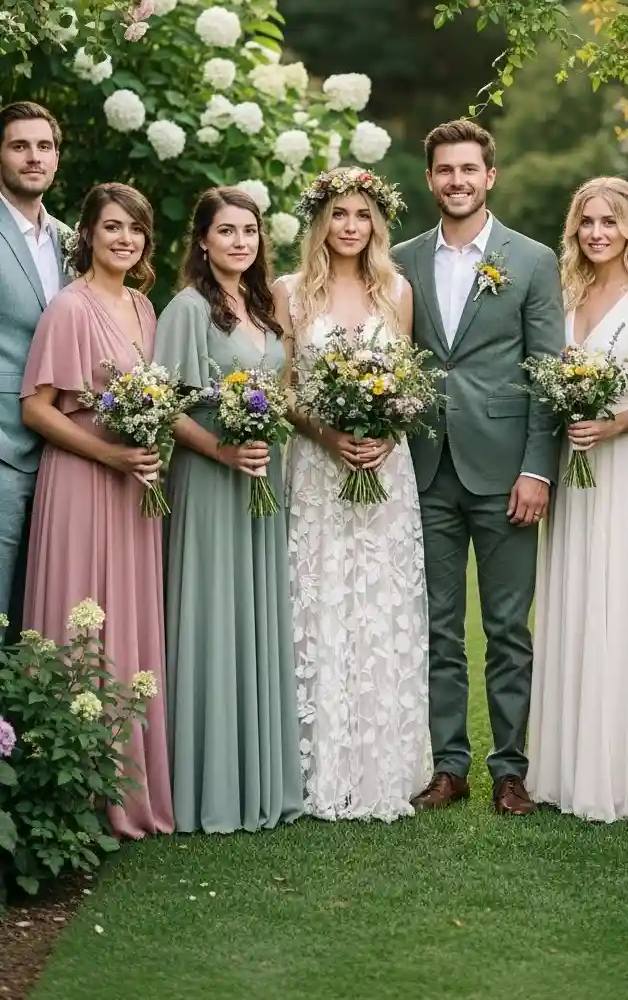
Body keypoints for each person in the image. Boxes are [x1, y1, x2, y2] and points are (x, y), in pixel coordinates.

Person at [392, 120, 564, 815]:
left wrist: (538, 468)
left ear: (490, 176)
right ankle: (450, 765)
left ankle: (510, 769)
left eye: (469, 169)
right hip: (425, 466)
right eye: (445, 170)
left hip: (505, 472)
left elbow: (548, 371)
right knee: (436, 625)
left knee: (505, 628)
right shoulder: (399, 259)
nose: (457, 180)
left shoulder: (531, 259)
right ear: (430, 178)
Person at [276, 166, 432, 822]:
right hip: (317, 470)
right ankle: (318, 762)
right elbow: (283, 389)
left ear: (376, 222)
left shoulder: (396, 290)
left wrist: (388, 435)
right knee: (319, 602)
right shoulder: (288, 292)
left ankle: (382, 762)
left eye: (360, 214)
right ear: (321, 221)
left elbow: (410, 381)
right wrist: (326, 431)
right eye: (338, 214)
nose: (349, 226)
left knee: (379, 606)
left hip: (383, 472)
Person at [21, 183, 173, 838]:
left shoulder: (144, 307)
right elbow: (37, 406)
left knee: (129, 628)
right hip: (84, 481)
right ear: (87, 233)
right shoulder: (69, 307)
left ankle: (129, 788)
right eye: (112, 226)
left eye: (135, 228)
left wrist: (145, 448)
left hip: (134, 486)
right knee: (81, 622)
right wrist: (110, 457)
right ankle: (72, 794)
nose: (125, 238)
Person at [527, 178, 628, 824]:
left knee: (620, 601)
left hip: (622, 465)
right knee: (575, 597)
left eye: (608, 222)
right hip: (574, 465)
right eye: (586, 222)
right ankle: (564, 768)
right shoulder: (567, 295)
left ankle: (622, 773)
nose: (596, 233)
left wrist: (614, 424)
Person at [154, 187, 302, 834]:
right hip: (213, 482)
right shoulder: (187, 309)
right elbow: (164, 402)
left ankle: (258, 779)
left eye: (250, 231)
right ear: (203, 241)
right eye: (228, 231)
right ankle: (207, 786)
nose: (241, 241)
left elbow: (283, 392)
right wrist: (220, 448)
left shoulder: (267, 309)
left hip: (263, 484)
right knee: (214, 616)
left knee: (255, 618)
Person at [0, 101, 69, 622]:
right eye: (19, 145)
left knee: (43, 601)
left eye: (43, 146)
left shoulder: (71, 242)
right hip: (2, 441)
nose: (33, 157)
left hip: (64, 447)